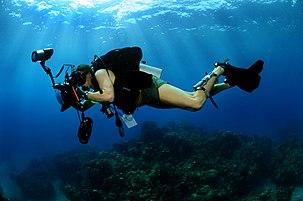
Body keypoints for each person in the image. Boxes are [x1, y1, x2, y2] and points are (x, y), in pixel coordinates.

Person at [74, 46, 263, 114]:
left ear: (86, 74)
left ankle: (219, 69)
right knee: (191, 98)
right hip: (145, 99)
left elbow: (107, 96)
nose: (80, 85)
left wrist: (86, 94)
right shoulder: (95, 86)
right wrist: (81, 103)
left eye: (79, 81)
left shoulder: (98, 72)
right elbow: (96, 98)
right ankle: (231, 82)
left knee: (195, 103)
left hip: (148, 89)